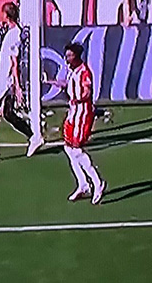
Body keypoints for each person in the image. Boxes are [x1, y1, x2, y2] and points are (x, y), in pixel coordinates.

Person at [0, 2, 44, 165]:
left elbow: (14, 62)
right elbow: (9, 57)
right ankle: (34, 137)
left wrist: (17, 86)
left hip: (4, 81)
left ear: (7, 15)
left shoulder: (14, 35)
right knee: (8, 114)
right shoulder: (13, 33)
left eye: (2, 12)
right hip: (4, 79)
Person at [52, 42, 106, 204]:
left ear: (76, 56)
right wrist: (56, 83)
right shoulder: (71, 71)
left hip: (82, 112)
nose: (67, 58)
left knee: (76, 148)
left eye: (70, 55)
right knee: (68, 147)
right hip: (73, 111)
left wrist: (78, 95)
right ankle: (83, 184)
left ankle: (97, 182)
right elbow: (69, 86)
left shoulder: (84, 72)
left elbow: (87, 91)